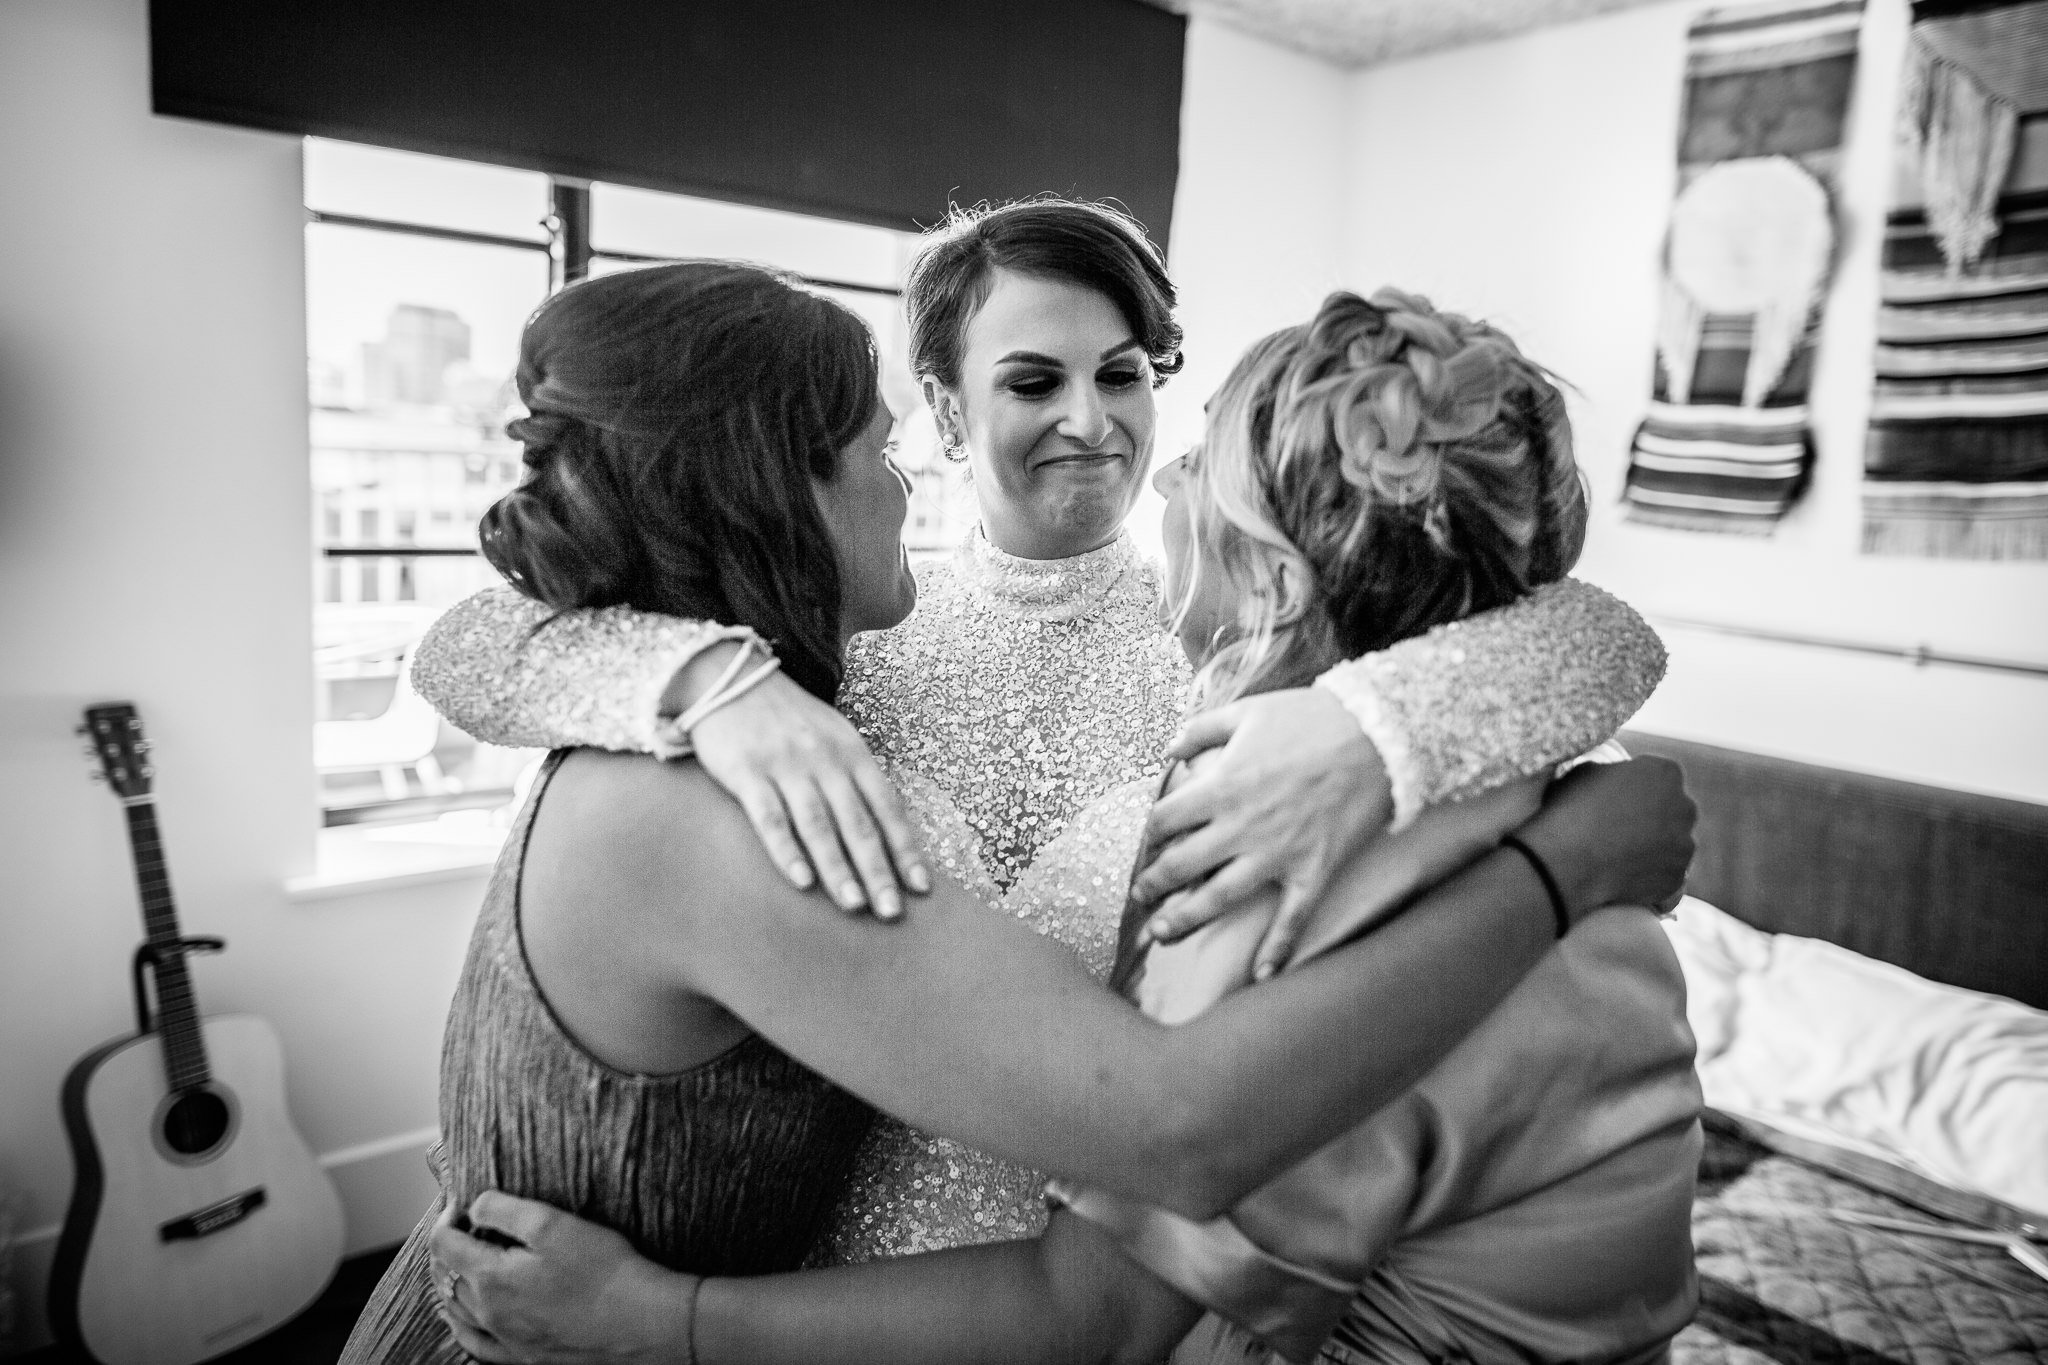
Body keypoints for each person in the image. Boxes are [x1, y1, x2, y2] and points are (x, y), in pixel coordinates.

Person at [339, 260, 1694, 1364]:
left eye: (1128, 377)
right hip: (801, 1283)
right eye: (1031, 379)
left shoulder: (1260, 684)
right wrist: (696, 677)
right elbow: (474, 638)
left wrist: (1377, 728)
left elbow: (1590, 637)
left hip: (1050, 1289)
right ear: (937, 409)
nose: (1096, 424)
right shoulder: (822, 660)